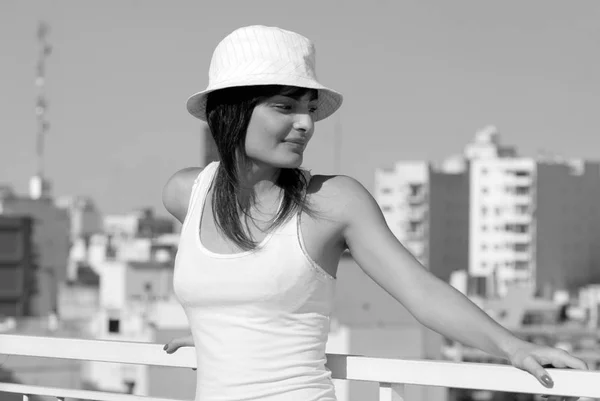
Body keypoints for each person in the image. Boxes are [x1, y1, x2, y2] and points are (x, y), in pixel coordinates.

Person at [162, 25, 586, 401]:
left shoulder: (333, 200)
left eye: (309, 108)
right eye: (285, 106)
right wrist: (218, 334)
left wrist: (514, 348)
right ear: (232, 110)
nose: (306, 123)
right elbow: (235, 289)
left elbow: (420, 291)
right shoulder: (186, 192)